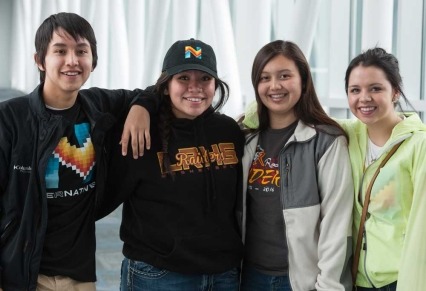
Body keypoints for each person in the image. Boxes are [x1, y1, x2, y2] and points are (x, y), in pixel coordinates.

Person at [0, 12, 148, 290]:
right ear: (39, 60)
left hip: (80, 274)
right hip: (22, 272)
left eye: (82, 51)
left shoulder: (98, 106)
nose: (72, 60)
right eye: (60, 51)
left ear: (94, 60)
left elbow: (149, 92)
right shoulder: (10, 118)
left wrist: (141, 107)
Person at [104, 38, 245, 291]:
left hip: (223, 274)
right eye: (183, 78)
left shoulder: (229, 131)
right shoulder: (142, 133)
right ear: (166, 86)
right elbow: (106, 195)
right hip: (159, 275)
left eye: (204, 79)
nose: (195, 88)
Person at [239, 40, 353, 290]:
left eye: (284, 76)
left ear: (303, 79)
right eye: (264, 78)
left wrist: (327, 285)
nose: (274, 86)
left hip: (301, 282)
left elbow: (337, 225)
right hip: (246, 277)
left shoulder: (326, 141)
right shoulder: (244, 138)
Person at [340, 47, 426, 291]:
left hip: (401, 278)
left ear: (395, 92)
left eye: (375, 88)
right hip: (357, 278)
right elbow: (298, 114)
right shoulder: (346, 134)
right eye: (355, 90)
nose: (364, 98)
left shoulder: (419, 145)